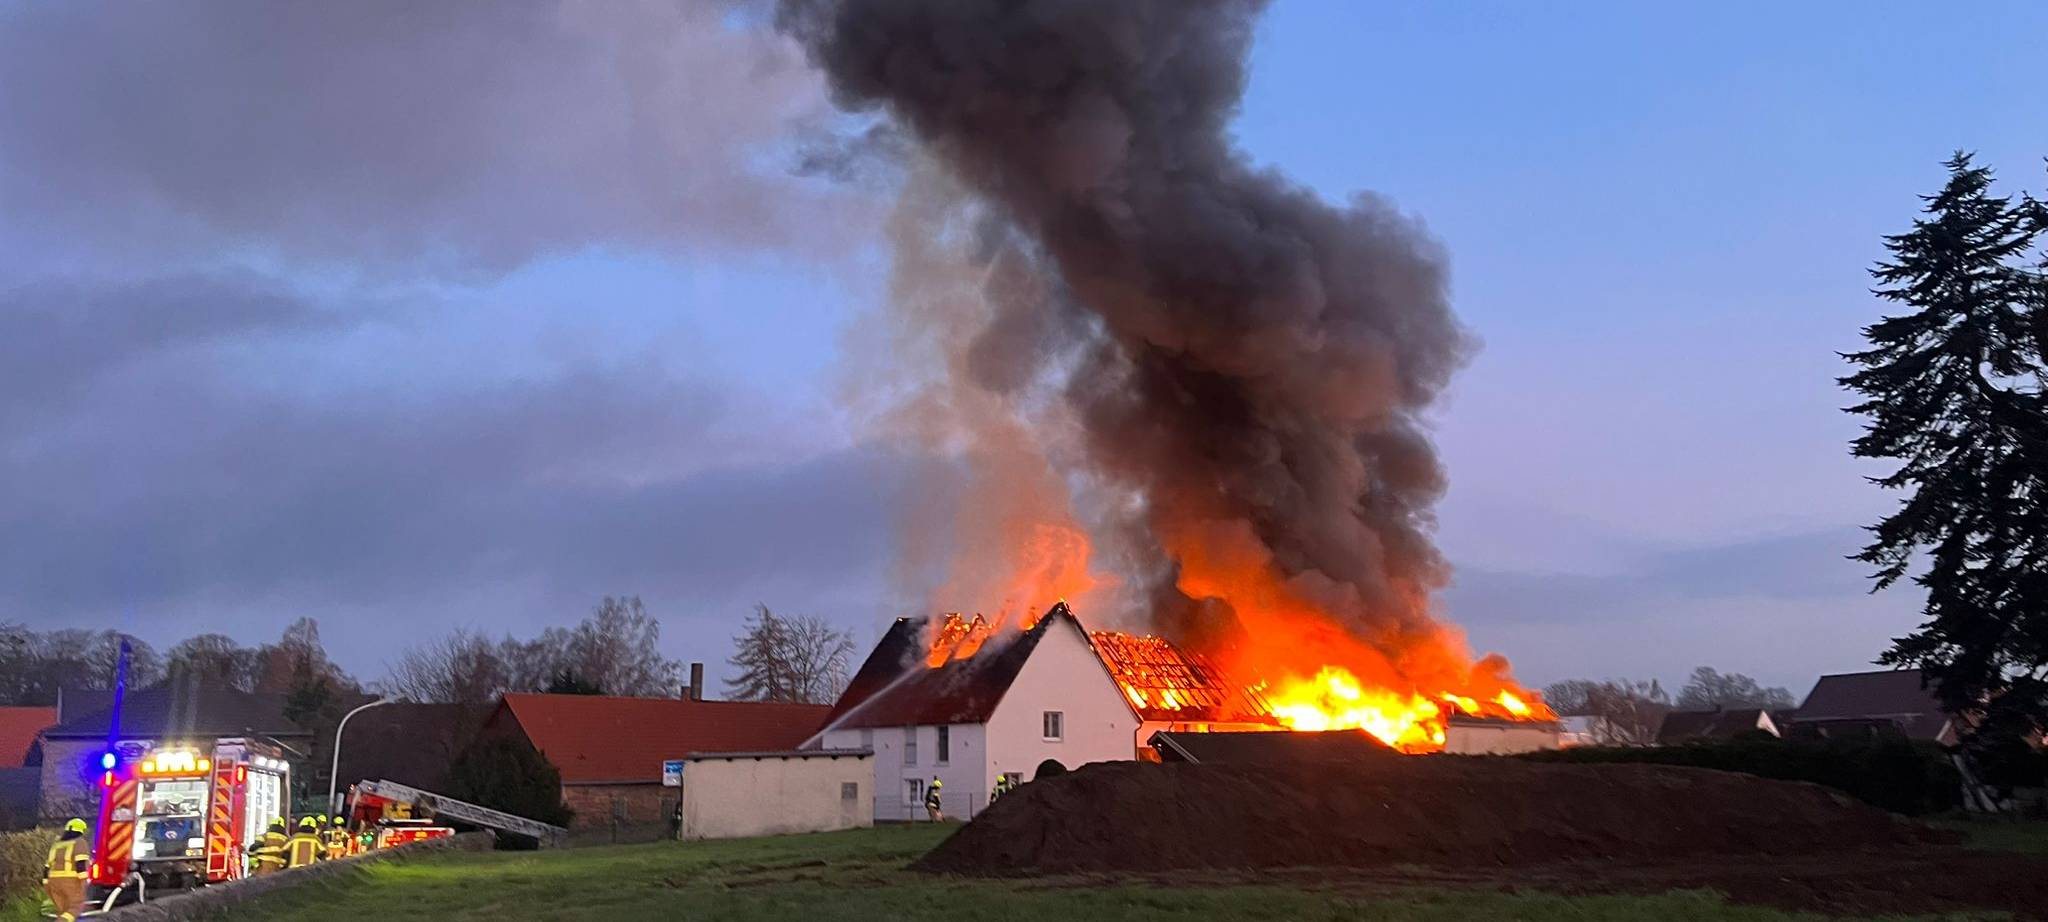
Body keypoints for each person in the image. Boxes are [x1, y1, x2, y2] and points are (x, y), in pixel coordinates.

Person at [42, 818, 90, 922]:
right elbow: (80, 864)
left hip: (53, 882)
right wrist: (83, 882)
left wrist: (46, 884)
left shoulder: (56, 845)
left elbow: (47, 867)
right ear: (81, 831)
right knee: (76, 907)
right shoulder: (79, 842)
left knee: (63, 911)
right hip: (70, 882)